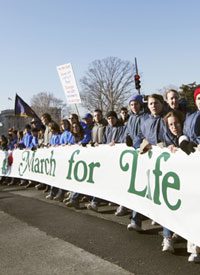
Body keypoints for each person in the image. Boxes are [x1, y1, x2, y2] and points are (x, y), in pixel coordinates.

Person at [116, 94, 144, 216]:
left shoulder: (145, 117)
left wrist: (136, 142)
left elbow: (143, 133)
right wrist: (127, 137)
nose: (134, 106)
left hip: (141, 152)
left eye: (136, 104)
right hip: (132, 154)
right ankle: (126, 206)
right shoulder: (131, 118)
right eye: (131, 105)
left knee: (138, 185)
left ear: (140, 104)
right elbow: (127, 131)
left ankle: (136, 216)